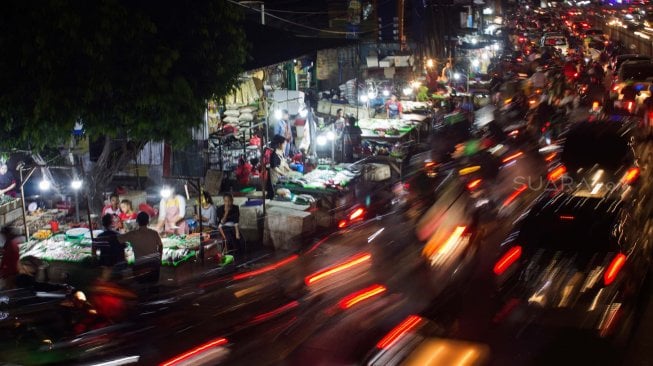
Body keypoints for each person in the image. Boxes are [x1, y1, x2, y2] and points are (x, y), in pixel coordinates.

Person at [119, 212, 163, 283]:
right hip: (154, 264)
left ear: (137, 221)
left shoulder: (132, 234)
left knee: (141, 287)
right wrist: (160, 259)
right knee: (154, 286)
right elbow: (160, 246)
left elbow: (118, 239)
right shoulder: (154, 233)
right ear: (148, 221)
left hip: (140, 266)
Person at [217, 194, 243, 258]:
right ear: (224, 201)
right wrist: (226, 212)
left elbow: (236, 221)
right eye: (226, 201)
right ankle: (229, 255)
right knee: (229, 239)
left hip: (233, 226)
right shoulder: (220, 209)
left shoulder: (235, 208)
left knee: (240, 239)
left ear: (232, 200)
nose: (228, 203)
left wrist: (237, 233)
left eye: (229, 201)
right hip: (223, 226)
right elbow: (222, 222)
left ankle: (239, 255)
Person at [268, 134, 292, 199]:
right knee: (279, 192)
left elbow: (284, 163)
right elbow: (274, 167)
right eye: (284, 144)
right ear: (279, 144)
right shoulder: (274, 154)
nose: (285, 145)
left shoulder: (281, 152)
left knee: (286, 191)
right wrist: (283, 173)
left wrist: (289, 170)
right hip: (275, 179)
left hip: (281, 178)